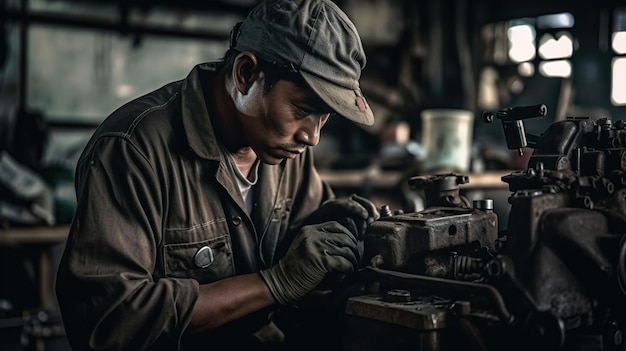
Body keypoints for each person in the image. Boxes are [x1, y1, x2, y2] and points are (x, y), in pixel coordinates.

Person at [55, 0, 379, 350]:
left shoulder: (287, 150)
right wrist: (274, 282)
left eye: (324, 117)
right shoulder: (133, 151)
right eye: (302, 109)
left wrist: (329, 233)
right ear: (245, 74)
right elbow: (106, 322)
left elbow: (303, 285)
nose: (312, 136)